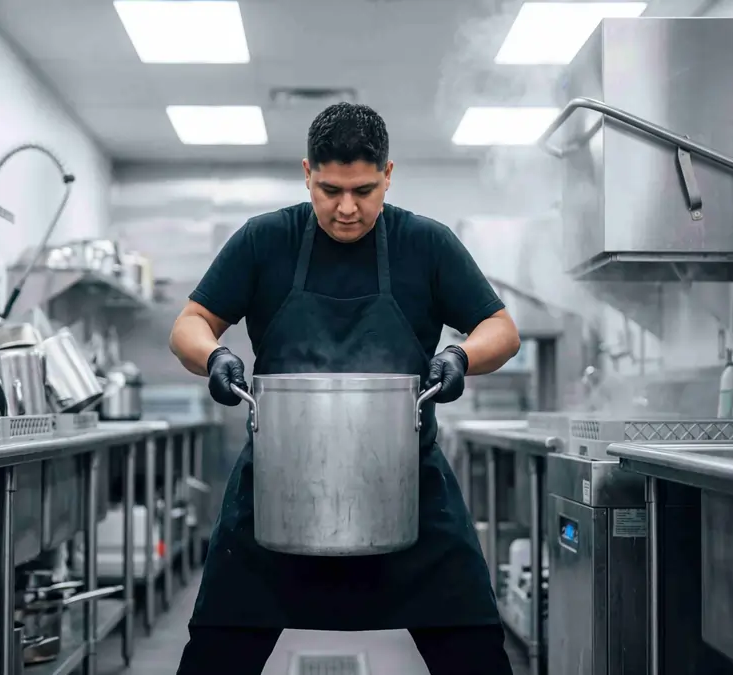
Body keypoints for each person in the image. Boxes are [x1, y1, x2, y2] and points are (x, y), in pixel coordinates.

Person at [168, 102, 522, 674]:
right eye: (330, 189)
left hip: (408, 482)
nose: (348, 208)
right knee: (217, 650)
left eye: (363, 189)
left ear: (388, 174)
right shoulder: (265, 240)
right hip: (277, 485)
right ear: (308, 173)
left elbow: (501, 330)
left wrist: (460, 354)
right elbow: (190, 322)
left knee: (474, 648)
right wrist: (215, 355)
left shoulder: (426, 244)